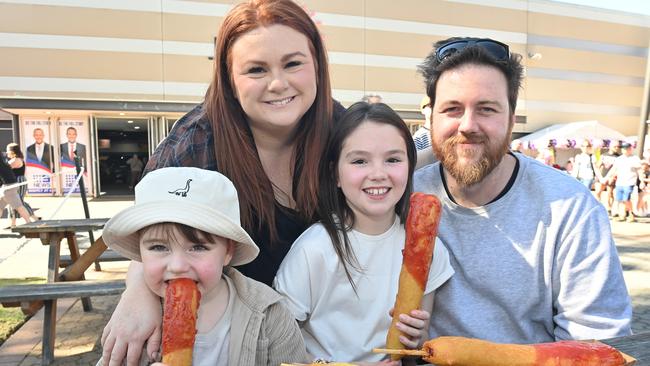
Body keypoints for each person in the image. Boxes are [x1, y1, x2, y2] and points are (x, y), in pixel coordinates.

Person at [100, 1, 345, 364]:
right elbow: (153, 227)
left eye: (293, 63)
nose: (278, 83)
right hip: (237, 339)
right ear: (229, 80)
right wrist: (137, 294)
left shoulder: (343, 132)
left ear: (318, 67)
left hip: (331, 333)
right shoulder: (196, 141)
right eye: (256, 69)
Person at [415, 37, 631, 343]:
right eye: (452, 109)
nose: (468, 125)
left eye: (487, 109)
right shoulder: (402, 196)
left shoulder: (569, 209)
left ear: (512, 119)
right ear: (431, 117)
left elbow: (595, 344)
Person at [274, 102, 454, 363]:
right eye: (359, 161)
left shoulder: (430, 249)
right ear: (334, 173)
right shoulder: (313, 250)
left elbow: (417, 345)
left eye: (393, 159)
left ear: (409, 166)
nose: (378, 174)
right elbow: (279, 340)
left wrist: (416, 338)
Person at [98, 167, 309, 366]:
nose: (178, 266)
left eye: (198, 247)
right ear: (140, 252)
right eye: (158, 247)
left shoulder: (271, 316)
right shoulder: (133, 322)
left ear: (228, 251)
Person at [605, 142, 643, 222]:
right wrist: (608, 177)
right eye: (623, 148)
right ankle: (622, 215)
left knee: (626, 199)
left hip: (629, 182)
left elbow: (639, 170)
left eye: (626, 148)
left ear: (630, 149)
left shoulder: (634, 158)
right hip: (620, 182)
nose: (624, 150)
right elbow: (614, 169)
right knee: (619, 199)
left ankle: (631, 214)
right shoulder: (619, 159)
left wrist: (642, 181)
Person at [5, 143, 40, 226]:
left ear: (12, 151)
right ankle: (13, 222)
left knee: (18, 201)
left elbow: (5, 169)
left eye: (8, 151)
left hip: (18, 181)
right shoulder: (16, 159)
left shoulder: (16, 160)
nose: (7, 153)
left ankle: (32, 218)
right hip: (15, 181)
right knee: (14, 201)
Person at [0, 156, 34, 228]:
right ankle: (29, 223)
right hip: (9, 185)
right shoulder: (3, 160)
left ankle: (29, 223)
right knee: (0, 207)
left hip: (9, 187)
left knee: (19, 207)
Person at [595, 141, 622, 215]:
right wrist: (600, 177)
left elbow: (618, 169)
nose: (617, 148)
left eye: (618, 147)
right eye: (615, 146)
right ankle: (598, 206)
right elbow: (598, 166)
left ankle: (609, 209)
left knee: (610, 193)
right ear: (610, 146)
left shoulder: (619, 157)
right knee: (598, 192)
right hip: (602, 176)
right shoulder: (604, 155)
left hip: (611, 178)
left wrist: (612, 177)